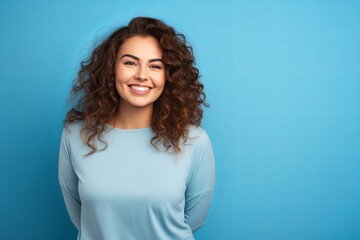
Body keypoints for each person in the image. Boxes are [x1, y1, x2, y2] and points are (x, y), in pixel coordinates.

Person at [58, 16, 215, 240]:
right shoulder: (74, 136)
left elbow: (194, 219)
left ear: (168, 76)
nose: (142, 75)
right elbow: (81, 217)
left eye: (155, 66)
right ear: (111, 69)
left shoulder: (194, 140)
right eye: (130, 62)